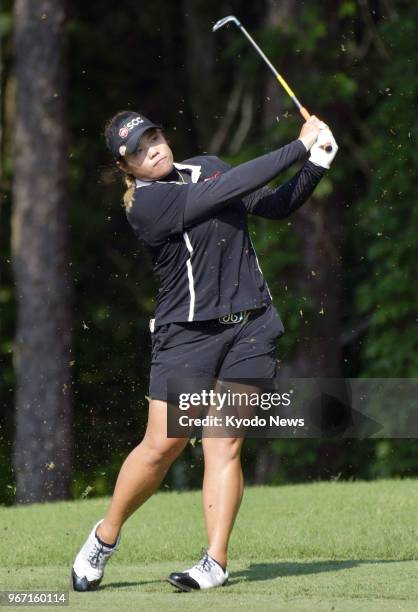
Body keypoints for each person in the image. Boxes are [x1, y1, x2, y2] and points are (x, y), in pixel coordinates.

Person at [71, 110, 338, 592]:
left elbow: (273, 205)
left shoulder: (209, 165)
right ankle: (105, 537)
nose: (152, 148)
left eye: (153, 136)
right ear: (126, 166)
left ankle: (214, 561)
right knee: (162, 447)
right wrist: (298, 147)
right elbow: (220, 194)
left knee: (224, 441)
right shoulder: (145, 206)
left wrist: (315, 165)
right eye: (138, 149)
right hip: (188, 337)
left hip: (250, 329)